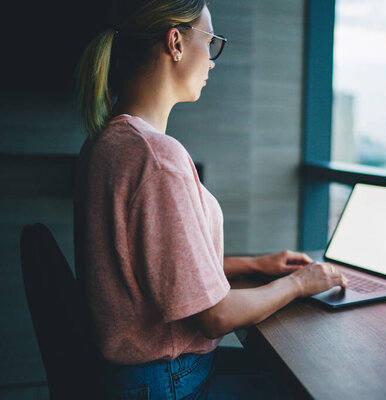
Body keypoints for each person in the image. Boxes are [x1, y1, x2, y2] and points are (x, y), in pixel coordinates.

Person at [72, 0, 348, 399]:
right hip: (167, 381)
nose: (213, 61)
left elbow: (153, 271)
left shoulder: (107, 143)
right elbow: (214, 317)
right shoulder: (156, 157)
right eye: (211, 41)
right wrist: (300, 284)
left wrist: (254, 264)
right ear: (176, 43)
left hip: (135, 380)